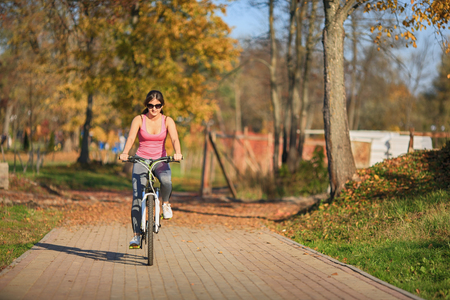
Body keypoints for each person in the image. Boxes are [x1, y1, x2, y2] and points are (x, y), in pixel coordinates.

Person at [119, 90, 182, 247]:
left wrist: (178, 153)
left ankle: (165, 204)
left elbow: (174, 138)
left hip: (160, 160)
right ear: (146, 105)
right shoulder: (139, 119)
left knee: (167, 181)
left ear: (162, 106)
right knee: (136, 198)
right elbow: (132, 137)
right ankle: (136, 236)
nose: (154, 109)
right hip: (141, 160)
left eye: (157, 106)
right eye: (150, 105)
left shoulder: (168, 120)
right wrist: (125, 153)